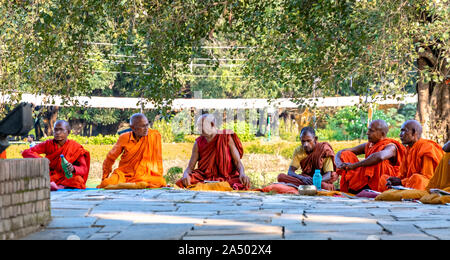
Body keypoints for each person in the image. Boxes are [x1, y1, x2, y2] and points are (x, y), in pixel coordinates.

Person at [176, 114, 251, 190]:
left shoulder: (226, 137)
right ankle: (217, 186)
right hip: (204, 178)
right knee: (182, 182)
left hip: (227, 177)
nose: (198, 129)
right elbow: (190, 167)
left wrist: (242, 174)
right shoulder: (198, 143)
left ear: (211, 124)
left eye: (200, 126)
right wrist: (185, 175)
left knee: (241, 182)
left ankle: (214, 186)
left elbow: (237, 162)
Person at [97, 113, 166, 189]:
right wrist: (105, 177)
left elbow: (158, 160)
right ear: (133, 128)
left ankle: (126, 185)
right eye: (143, 126)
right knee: (106, 183)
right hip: (124, 174)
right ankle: (136, 185)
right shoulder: (124, 138)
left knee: (160, 181)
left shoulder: (154, 135)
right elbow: (110, 158)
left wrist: (158, 174)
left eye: (147, 125)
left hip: (144, 176)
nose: (146, 128)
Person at [335, 119, 406, 193]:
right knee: (346, 154)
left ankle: (369, 188)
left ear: (382, 133)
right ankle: (356, 186)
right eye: (368, 130)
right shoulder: (369, 145)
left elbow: (380, 157)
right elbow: (342, 152)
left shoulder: (391, 146)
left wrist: (354, 166)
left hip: (384, 182)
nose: (367, 133)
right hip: (365, 179)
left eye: (371, 131)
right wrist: (339, 164)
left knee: (375, 161)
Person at [22, 120, 90, 190]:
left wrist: (73, 168)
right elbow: (26, 152)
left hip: (66, 177)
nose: (57, 133)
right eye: (55, 130)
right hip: (51, 175)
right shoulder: (48, 144)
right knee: (36, 178)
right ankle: (57, 186)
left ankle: (57, 186)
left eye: (61, 130)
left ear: (68, 132)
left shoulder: (75, 146)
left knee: (78, 180)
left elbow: (84, 169)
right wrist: (43, 160)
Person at [386, 120, 444, 190]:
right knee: (385, 179)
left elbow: (428, 177)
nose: (400, 134)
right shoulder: (407, 150)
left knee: (418, 179)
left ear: (413, 133)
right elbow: (403, 175)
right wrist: (396, 181)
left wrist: (402, 182)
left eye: (404, 131)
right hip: (410, 183)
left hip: (428, 185)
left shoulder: (427, 147)